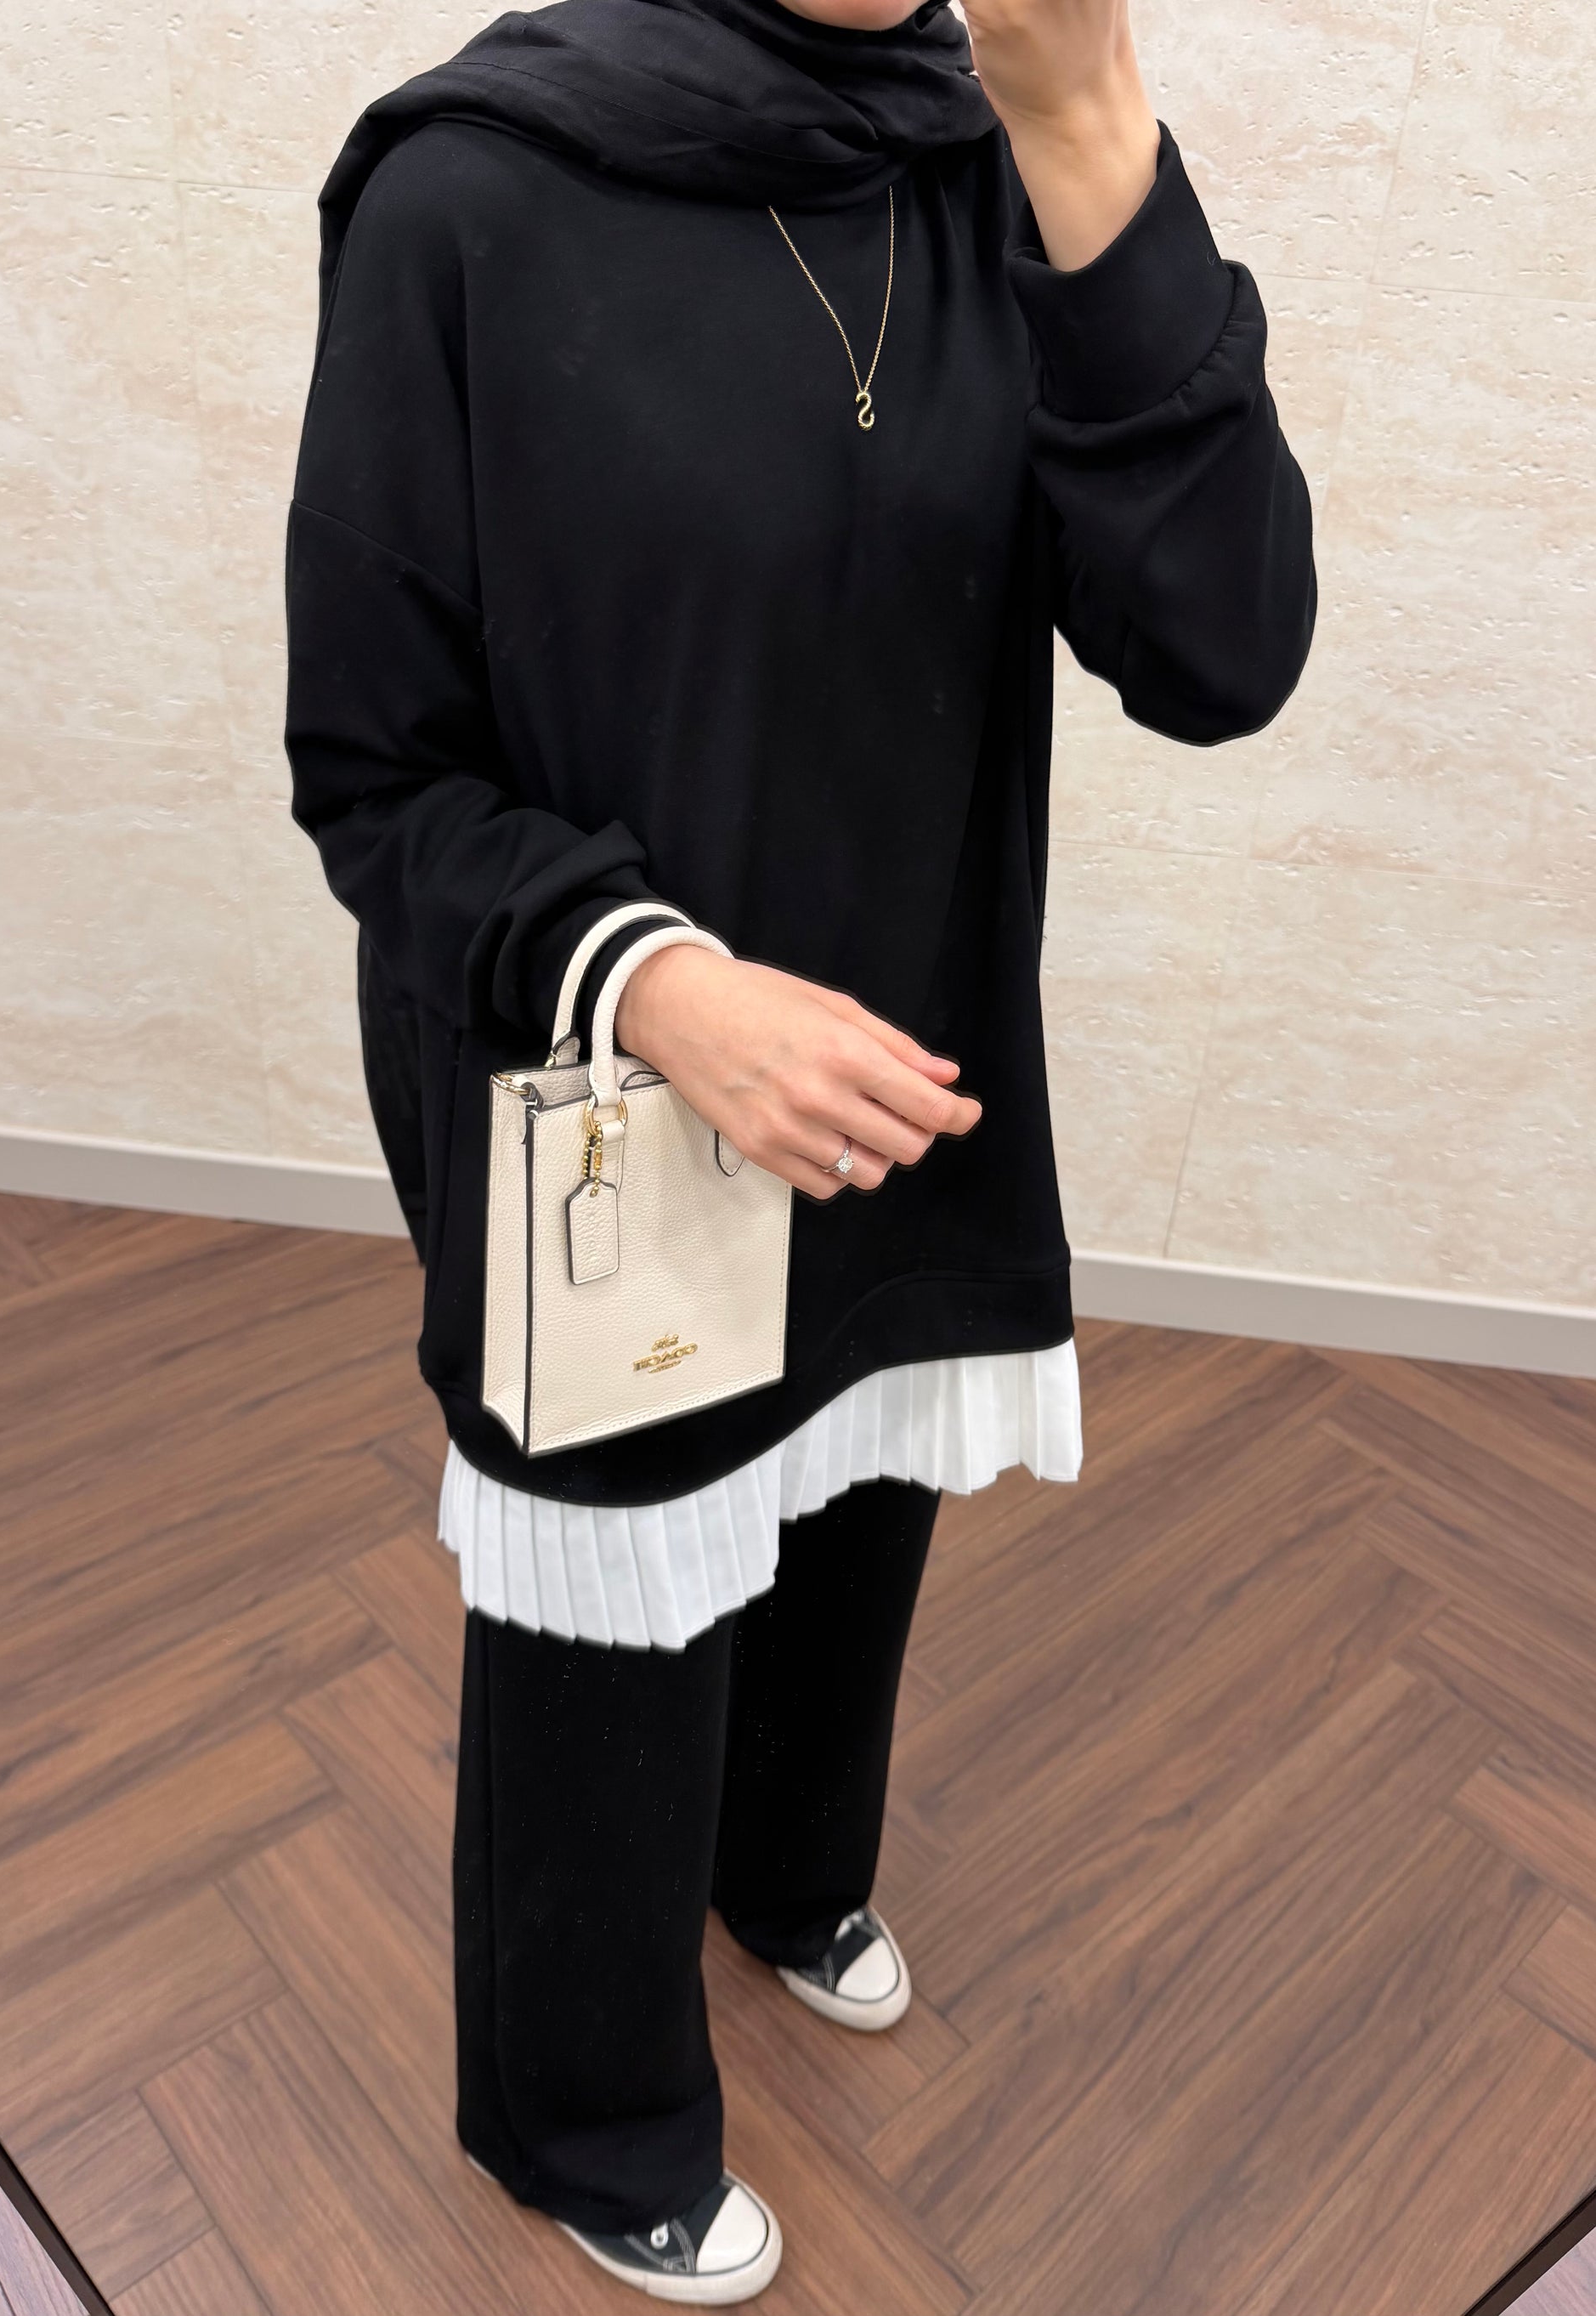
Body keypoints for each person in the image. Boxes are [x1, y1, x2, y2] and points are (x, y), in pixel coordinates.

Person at [285, 0, 1315, 2292]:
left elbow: (1223, 649)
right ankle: (582, 2108)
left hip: (902, 1053)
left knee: (853, 1496)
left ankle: (784, 1871)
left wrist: (1086, 122)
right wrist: (666, 988)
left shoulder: (1005, 161)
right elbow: (373, 767)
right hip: (598, 1058)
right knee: (618, 1598)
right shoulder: (471, 193)